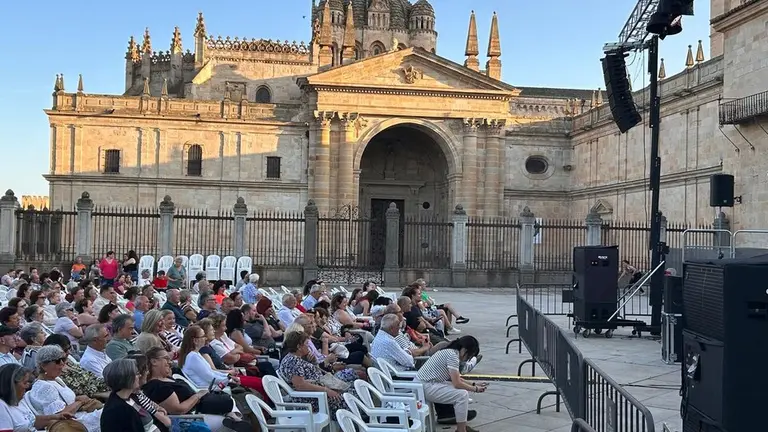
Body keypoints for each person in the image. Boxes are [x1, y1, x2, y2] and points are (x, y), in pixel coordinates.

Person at [142, 347, 250, 432]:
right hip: (191, 418)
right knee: (231, 425)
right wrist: (198, 395)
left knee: (231, 410)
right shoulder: (156, 386)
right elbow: (179, 410)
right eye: (165, 358)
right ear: (154, 362)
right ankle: (234, 419)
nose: (169, 361)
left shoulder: (167, 378)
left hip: (201, 410)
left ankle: (233, 418)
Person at [277, 331, 357, 421]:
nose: (308, 347)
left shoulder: (295, 358)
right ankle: (352, 423)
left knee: (351, 392)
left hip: (318, 391)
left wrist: (313, 362)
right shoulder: (293, 362)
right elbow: (300, 385)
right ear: (299, 347)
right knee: (350, 398)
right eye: (306, 344)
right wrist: (327, 390)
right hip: (313, 399)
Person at [417, 336, 485, 432]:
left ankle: (462, 428)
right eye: (468, 356)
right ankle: (461, 429)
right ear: (464, 349)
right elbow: (457, 383)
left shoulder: (450, 352)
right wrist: (475, 389)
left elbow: (456, 378)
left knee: (462, 393)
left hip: (425, 384)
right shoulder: (453, 356)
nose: (467, 359)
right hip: (426, 386)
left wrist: (473, 384)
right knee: (462, 395)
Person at [29, 345, 103, 432]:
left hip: (77, 417)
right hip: (70, 424)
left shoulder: (56, 379)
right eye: (57, 361)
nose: (62, 363)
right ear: (43, 365)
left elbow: (66, 402)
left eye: (63, 359)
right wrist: (80, 402)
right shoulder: (44, 387)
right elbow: (58, 416)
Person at [0, 363, 73, 431]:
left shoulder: (19, 400)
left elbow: (32, 421)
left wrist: (56, 417)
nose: (27, 386)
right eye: (24, 383)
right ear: (12, 385)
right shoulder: (2, 407)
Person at [101, 359, 160, 432]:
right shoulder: (117, 410)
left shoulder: (130, 398)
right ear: (127, 377)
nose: (140, 375)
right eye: (137, 373)